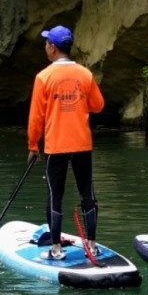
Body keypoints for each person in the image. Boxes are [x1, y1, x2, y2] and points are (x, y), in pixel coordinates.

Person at [27, 24, 105, 260]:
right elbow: (98, 105)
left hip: (56, 145)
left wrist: (33, 146)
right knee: (86, 193)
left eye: (46, 43)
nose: (45, 46)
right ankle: (91, 245)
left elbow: (36, 117)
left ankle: (56, 249)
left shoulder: (44, 77)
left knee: (55, 195)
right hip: (82, 143)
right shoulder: (85, 74)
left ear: (52, 48)